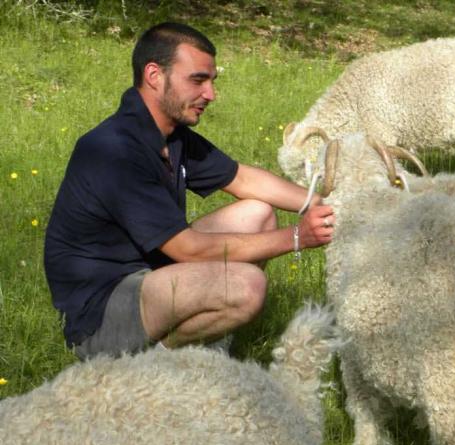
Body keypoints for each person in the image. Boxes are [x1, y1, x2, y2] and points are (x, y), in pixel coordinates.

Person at [44, 22, 334, 360]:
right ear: (154, 75)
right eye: (198, 80)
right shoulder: (115, 150)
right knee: (246, 287)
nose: (210, 94)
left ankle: (199, 339)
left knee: (258, 212)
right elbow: (189, 251)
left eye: (212, 81)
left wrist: (328, 202)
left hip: (149, 275)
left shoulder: (171, 135)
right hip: (101, 312)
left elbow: (243, 179)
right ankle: (157, 361)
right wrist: (298, 237)